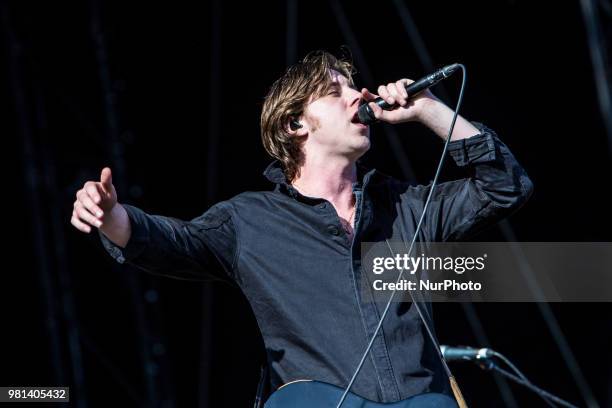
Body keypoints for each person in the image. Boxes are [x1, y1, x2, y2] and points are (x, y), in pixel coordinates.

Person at [70, 50, 533, 405]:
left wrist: (430, 110)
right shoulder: (250, 221)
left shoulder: (408, 207)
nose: (361, 95)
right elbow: (170, 241)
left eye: (355, 86)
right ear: (295, 123)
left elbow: (506, 187)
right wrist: (111, 215)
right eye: (337, 91)